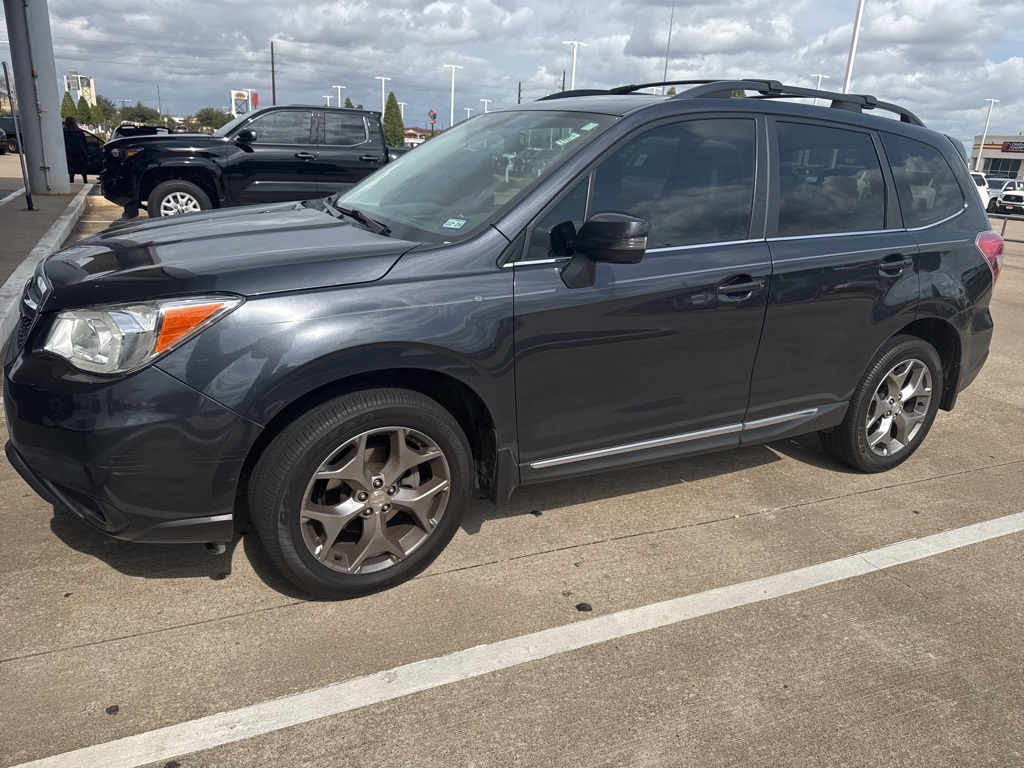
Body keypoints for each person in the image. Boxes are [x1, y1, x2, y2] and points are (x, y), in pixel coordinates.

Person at [62, 115, 89, 184]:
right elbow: (84, 144)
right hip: (80, 152)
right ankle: (85, 180)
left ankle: (71, 180)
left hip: (68, 152)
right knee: (82, 167)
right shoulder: (79, 132)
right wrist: (86, 154)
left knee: (71, 167)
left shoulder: (63, 132)